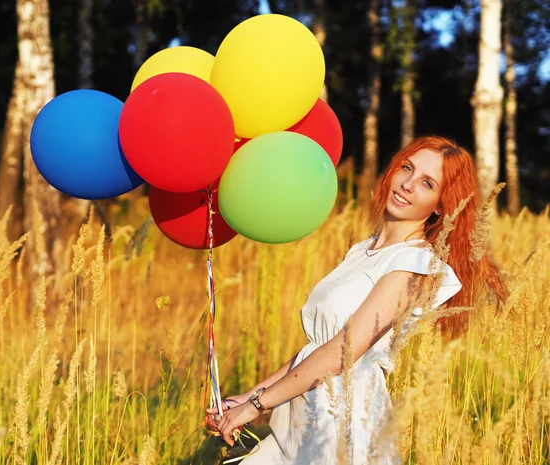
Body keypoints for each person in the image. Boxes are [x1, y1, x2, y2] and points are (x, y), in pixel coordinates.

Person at [205, 136, 508, 464]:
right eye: (406, 168)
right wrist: (250, 396)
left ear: (439, 205)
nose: (407, 184)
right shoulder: (362, 250)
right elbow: (318, 346)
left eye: (426, 183)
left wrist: (257, 406)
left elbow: (343, 350)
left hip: (342, 415)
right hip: (305, 405)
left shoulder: (418, 265)